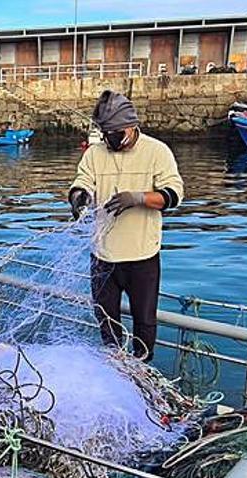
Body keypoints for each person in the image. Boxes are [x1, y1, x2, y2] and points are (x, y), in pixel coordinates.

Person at [68, 91, 184, 362]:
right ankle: (115, 368)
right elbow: (82, 180)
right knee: (106, 321)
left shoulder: (157, 151)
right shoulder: (95, 154)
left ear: (131, 125)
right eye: (106, 134)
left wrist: (139, 198)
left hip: (142, 257)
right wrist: (78, 196)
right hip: (103, 257)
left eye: (116, 134)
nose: (111, 140)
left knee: (144, 322)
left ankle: (142, 368)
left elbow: (174, 195)